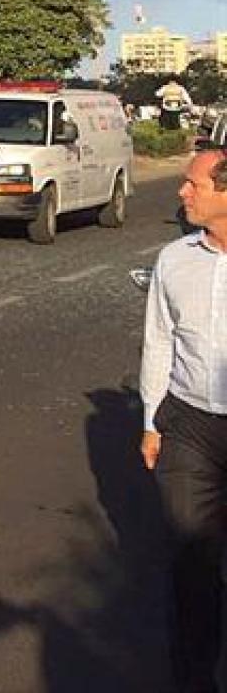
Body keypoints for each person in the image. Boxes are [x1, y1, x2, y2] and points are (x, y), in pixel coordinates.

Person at [140, 143, 227, 693]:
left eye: (194, 184)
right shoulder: (175, 259)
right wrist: (152, 422)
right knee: (192, 562)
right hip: (190, 426)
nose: (182, 192)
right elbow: (159, 341)